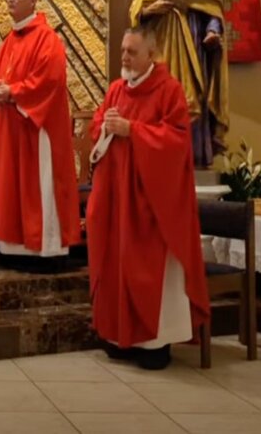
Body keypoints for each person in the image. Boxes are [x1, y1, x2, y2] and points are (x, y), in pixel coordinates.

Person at [87, 27, 210, 370]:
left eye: (132, 52)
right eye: (123, 50)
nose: (124, 57)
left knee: (149, 269)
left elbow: (176, 142)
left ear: (151, 56)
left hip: (150, 203)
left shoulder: (168, 91)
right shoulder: (116, 89)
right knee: (115, 263)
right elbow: (99, 128)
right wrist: (105, 127)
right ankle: (117, 337)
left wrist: (133, 131)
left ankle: (155, 343)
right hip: (116, 198)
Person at [0, 0, 80, 259]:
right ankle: (11, 247)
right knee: (9, 186)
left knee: (37, 185)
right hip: (9, 126)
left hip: (36, 127)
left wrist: (12, 92)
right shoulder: (11, 39)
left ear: (33, 0)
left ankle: (43, 248)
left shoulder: (48, 39)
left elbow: (50, 80)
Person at [130, 0, 229, 167]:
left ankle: (191, 159)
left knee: (188, 97)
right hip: (157, 41)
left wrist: (213, 31)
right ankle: (158, 157)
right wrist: (147, 11)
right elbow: (137, 7)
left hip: (188, 42)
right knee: (157, 97)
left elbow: (212, 6)